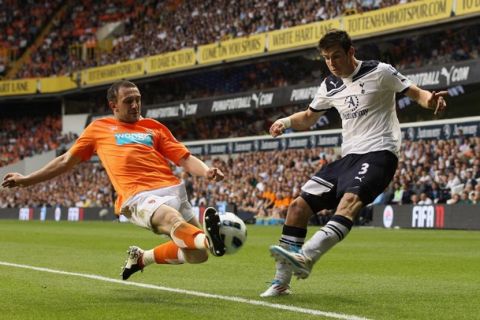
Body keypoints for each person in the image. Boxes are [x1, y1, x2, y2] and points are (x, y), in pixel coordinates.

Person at [260, 29, 447, 297]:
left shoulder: (380, 71)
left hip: (379, 152)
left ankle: (307, 256)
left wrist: (432, 100)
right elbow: (309, 117)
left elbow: (416, 93)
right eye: (326, 58)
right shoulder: (329, 85)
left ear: (351, 52)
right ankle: (281, 282)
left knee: (349, 203)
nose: (332, 63)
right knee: (298, 207)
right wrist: (286, 122)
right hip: (348, 158)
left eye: (336, 56)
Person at [2, 80, 226, 280]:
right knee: (173, 220)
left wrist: (206, 171)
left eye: (138, 100)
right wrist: (27, 180)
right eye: (129, 101)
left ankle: (143, 257)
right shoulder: (99, 129)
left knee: (197, 255)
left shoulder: (154, 127)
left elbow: (184, 158)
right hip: (138, 195)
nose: (135, 105)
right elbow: (65, 161)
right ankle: (209, 240)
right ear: (114, 105)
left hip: (173, 190)